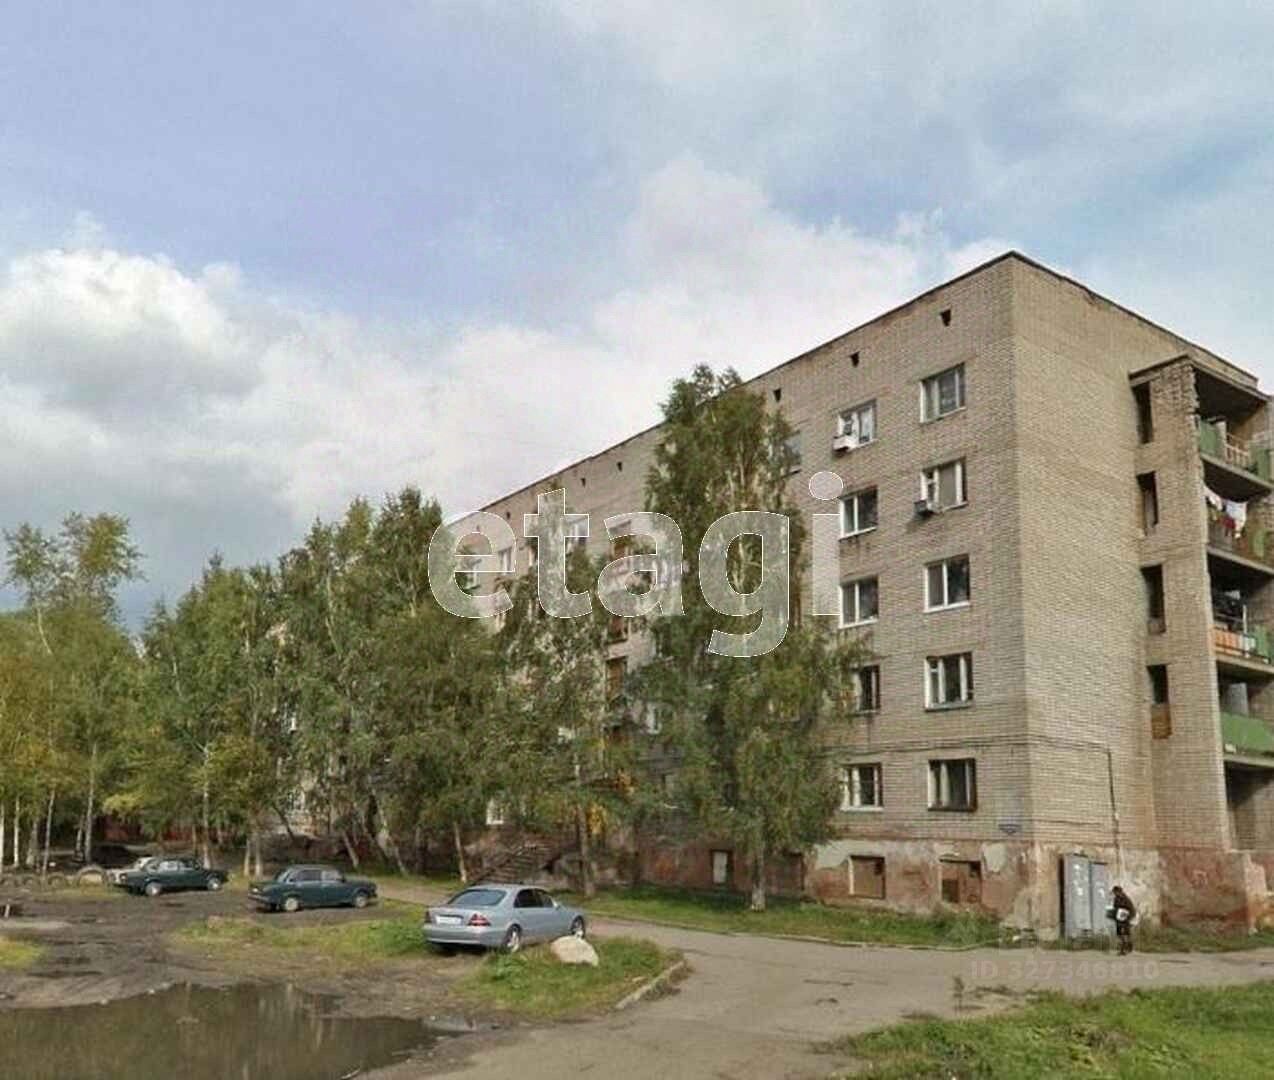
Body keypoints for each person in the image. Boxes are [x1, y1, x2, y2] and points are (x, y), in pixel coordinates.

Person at [1109, 885, 1136, 955]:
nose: (1114, 894)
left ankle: (1126, 948)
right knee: (1119, 934)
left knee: (1126, 933)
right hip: (1119, 918)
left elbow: (1131, 910)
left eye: (1115, 892)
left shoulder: (1126, 899)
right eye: (1114, 892)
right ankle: (1125, 948)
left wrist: (1128, 918)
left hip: (1126, 917)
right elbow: (1115, 908)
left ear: (1119, 892)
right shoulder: (1116, 899)